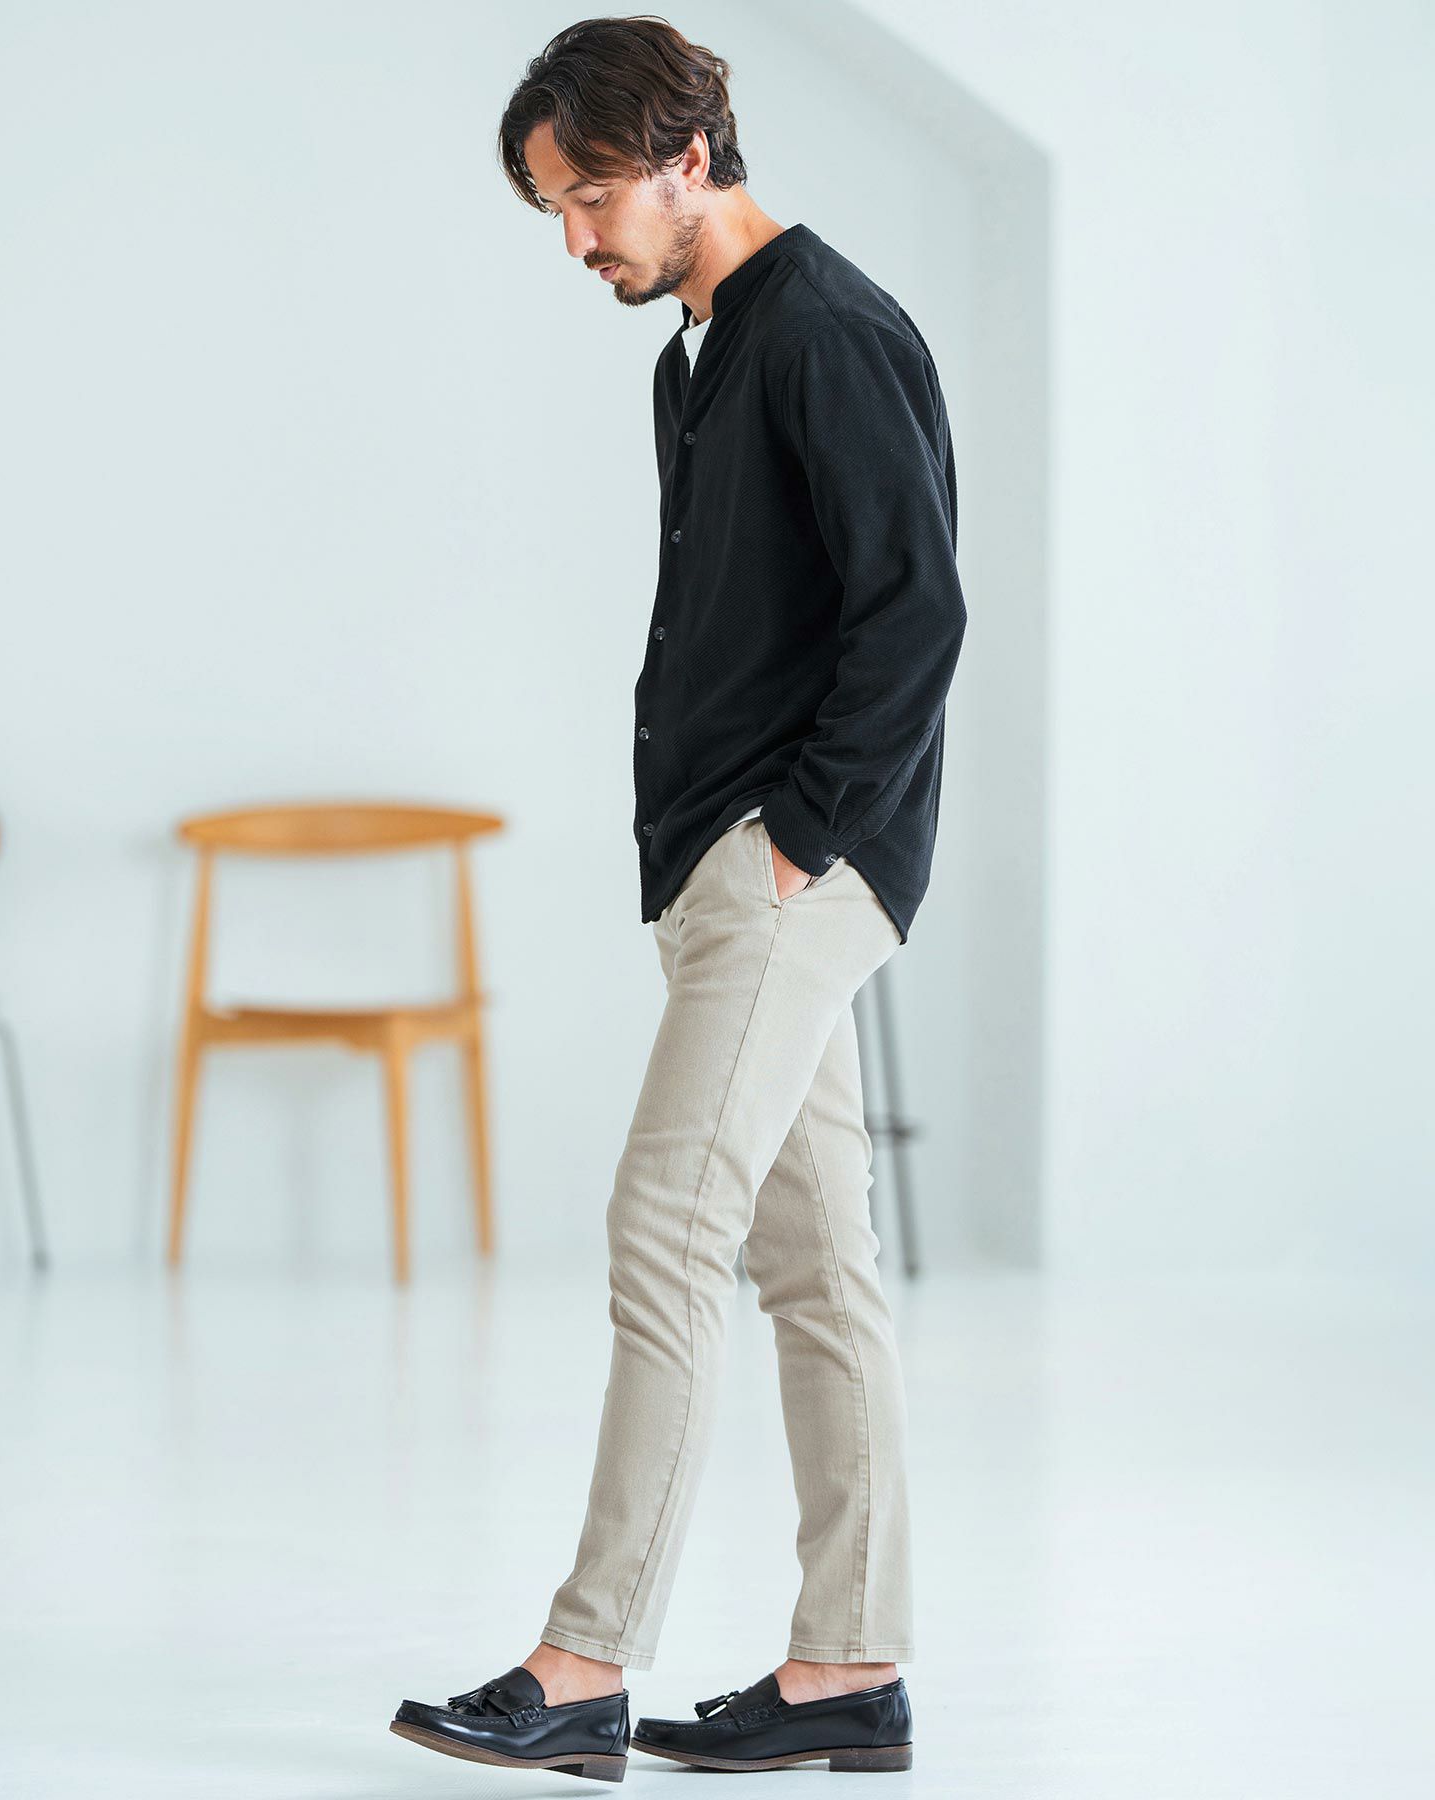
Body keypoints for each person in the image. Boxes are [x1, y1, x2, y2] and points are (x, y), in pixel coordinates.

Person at [391, 15, 966, 1782]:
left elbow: (915, 614)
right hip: (726, 861)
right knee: (818, 1264)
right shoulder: (699, 356)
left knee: (665, 1224)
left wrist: (802, 836)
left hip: (794, 865)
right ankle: (849, 1669)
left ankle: (582, 1665)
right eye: (553, 210)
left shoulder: (830, 331)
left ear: (688, 155)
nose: (576, 239)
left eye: (588, 199)